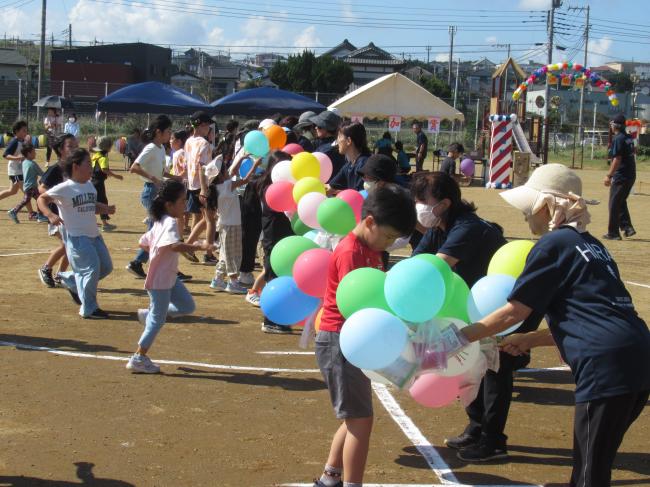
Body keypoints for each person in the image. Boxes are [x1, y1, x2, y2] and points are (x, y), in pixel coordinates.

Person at [451, 163, 650, 486]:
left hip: (605, 367)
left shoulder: (552, 245)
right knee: (594, 460)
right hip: (637, 357)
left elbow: (512, 312)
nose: (525, 214)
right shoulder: (592, 245)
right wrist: (531, 340)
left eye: (530, 207)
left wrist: (461, 336)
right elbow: (592, 316)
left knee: (590, 471)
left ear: (546, 205)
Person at [411, 171, 541, 461]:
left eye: (422, 200)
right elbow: (417, 262)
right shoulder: (439, 227)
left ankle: (493, 440)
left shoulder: (466, 228)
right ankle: (476, 427)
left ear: (444, 203)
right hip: (478, 305)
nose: (417, 205)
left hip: (510, 305)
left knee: (497, 366)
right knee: (468, 364)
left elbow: (436, 268)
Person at [313, 184, 416, 487]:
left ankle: (330, 477)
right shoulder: (349, 252)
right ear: (369, 221)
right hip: (340, 341)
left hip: (355, 342)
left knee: (356, 416)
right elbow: (357, 304)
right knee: (361, 420)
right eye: (387, 236)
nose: (388, 244)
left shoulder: (370, 249)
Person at [127, 180, 212, 374]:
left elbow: (144, 243)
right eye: (182, 201)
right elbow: (174, 246)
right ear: (169, 204)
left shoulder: (161, 221)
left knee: (187, 306)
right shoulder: (170, 222)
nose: (185, 205)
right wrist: (200, 246)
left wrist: (157, 255)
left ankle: (147, 315)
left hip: (169, 277)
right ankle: (138, 357)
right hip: (160, 281)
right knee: (158, 321)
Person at [37, 148, 115, 319]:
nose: (91, 168)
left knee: (106, 267)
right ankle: (89, 308)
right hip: (77, 237)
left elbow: (90, 205)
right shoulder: (64, 188)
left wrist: (106, 208)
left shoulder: (89, 186)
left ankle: (71, 280)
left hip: (95, 235)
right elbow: (41, 199)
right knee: (91, 270)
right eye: (88, 164)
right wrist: (50, 215)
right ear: (75, 166)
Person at [126, 115, 176, 279]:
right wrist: (153, 179)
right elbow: (134, 167)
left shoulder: (161, 148)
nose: (170, 134)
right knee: (156, 228)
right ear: (158, 132)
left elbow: (160, 172)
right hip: (150, 192)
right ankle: (139, 262)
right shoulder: (150, 148)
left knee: (157, 227)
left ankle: (139, 262)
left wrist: (175, 177)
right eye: (168, 131)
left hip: (157, 191)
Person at [208, 153, 262, 294]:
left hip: (226, 225)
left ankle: (218, 279)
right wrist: (255, 165)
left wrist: (241, 160)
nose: (229, 172)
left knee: (225, 253)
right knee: (233, 254)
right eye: (225, 170)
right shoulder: (227, 186)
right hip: (232, 226)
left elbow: (232, 172)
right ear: (221, 175)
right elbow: (245, 179)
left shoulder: (218, 186)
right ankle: (233, 282)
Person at [256, 151, 296, 332]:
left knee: (280, 278)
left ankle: (276, 318)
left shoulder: (277, 187)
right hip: (273, 239)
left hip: (282, 239)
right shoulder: (269, 189)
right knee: (274, 279)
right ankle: (271, 320)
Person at [38, 133, 77, 288]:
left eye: (76, 146)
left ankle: (60, 274)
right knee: (67, 245)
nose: (74, 149)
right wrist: (54, 199)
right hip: (57, 215)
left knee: (70, 246)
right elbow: (41, 187)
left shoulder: (73, 168)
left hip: (71, 215)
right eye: (70, 146)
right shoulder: (56, 168)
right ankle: (46, 268)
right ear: (61, 150)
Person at [184, 111, 218, 264]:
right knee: (211, 220)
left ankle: (188, 246)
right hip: (203, 184)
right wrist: (204, 189)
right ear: (202, 125)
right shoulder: (204, 144)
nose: (209, 129)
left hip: (192, 184)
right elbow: (201, 167)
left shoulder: (189, 141)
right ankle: (209, 253)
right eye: (208, 125)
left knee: (206, 218)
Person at [603, 114, 636, 240]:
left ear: (614, 125)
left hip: (621, 175)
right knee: (620, 201)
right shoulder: (628, 137)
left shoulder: (618, 139)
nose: (610, 126)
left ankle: (613, 233)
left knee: (614, 204)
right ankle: (627, 228)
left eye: (611, 124)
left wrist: (609, 175)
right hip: (630, 174)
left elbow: (617, 159)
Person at [1, 121, 36, 218]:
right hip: (15, 171)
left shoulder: (22, 141)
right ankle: (31, 213)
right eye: (23, 130)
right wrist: (17, 158)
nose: (26, 132)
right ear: (17, 131)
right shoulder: (14, 141)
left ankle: (31, 213)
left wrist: (28, 142)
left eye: (26, 130)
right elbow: (5, 155)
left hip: (20, 170)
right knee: (26, 192)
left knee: (12, 191)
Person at [91, 136, 123, 232]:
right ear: (107, 148)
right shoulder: (103, 158)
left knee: (93, 202)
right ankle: (105, 224)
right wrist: (115, 175)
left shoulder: (95, 156)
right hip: (98, 183)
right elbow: (104, 169)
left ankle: (91, 221)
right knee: (103, 201)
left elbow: (96, 169)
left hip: (92, 182)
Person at [328, 122, 371, 192]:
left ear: (348, 141)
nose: (337, 141)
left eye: (339, 137)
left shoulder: (364, 164)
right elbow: (331, 187)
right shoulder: (350, 164)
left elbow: (358, 195)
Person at [7, 144, 43, 223]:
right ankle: (14, 211)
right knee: (34, 200)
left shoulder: (24, 162)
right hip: (31, 186)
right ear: (29, 154)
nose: (35, 153)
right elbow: (42, 174)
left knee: (36, 199)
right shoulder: (33, 164)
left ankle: (38, 215)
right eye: (34, 152)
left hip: (27, 186)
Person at [310, 110, 345, 180]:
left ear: (327, 128)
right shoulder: (339, 144)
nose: (316, 128)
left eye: (319, 126)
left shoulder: (328, 149)